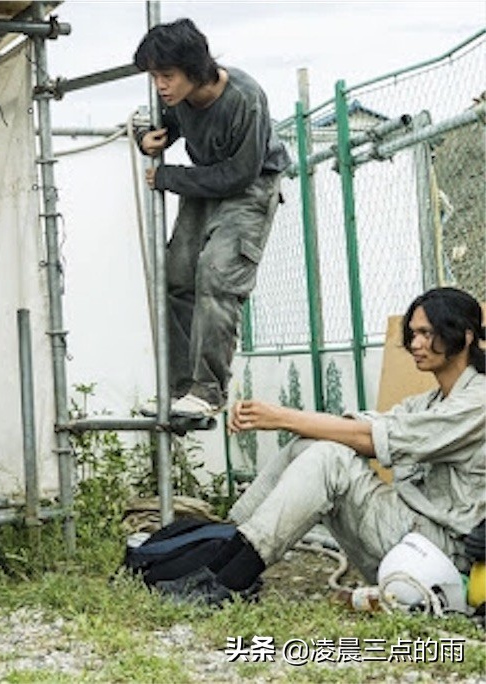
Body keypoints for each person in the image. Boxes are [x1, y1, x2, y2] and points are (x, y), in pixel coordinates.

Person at [158, 287, 485, 605]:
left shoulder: (477, 401)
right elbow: (365, 427)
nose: (415, 344)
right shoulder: (429, 402)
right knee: (313, 444)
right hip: (410, 540)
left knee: (330, 459)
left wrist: (281, 417)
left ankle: (230, 580)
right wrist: (289, 420)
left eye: (427, 334)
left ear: (465, 336)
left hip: (443, 557)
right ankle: (223, 545)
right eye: (412, 334)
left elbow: (374, 439)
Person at [133, 18, 292, 417]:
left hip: (249, 187)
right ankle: (182, 389)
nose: (161, 86)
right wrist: (147, 138)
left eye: (167, 75)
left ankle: (208, 390)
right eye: (155, 77)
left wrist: (171, 177)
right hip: (205, 184)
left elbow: (240, 173)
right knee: (177, 278)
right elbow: (165, 126)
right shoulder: (177, 99)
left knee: (217, 275)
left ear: (194, 68)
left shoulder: (245, 97)